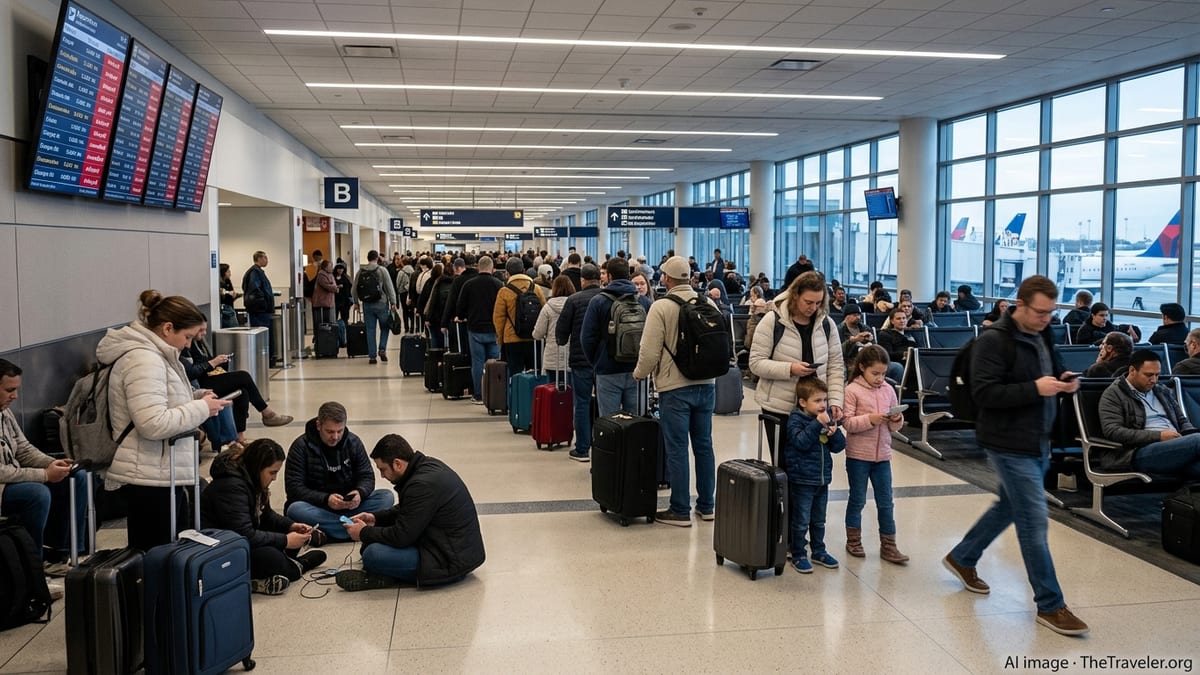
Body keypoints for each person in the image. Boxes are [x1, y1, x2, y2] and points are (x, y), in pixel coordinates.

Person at [943, 275, 1088, 637]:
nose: (1046, 319)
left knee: (1009, 506)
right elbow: (985, 394)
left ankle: (962, 556)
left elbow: (1051, 368)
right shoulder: (993, 342)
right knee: (1033, 522)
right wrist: (1035, 389)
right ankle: (1050, 604)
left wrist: (1064, 378)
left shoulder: (1043, 333)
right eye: (1040, 312)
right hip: (1006, 442)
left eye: (1051, 313)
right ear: (1019, 306)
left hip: (1038, 438)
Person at [97, 291, 231, 552]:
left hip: (159, 470)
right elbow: (152, 422)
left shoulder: (156, 356)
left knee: (167, 550)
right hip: (148, 472)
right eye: (188, 337)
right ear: (168, 328)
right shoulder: (144, 359)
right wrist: (201, 408)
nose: (189, 345)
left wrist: (195, 397)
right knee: (155, 554)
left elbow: (159, 400)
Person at [335, 434, 485, 591]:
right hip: (448, 546)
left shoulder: (421, 484)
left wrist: (364, 532)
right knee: (371, 543)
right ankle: (387, 573)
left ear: (398, 464)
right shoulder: (425, 467)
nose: (382, 475)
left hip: (449, 560)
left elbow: (401, 536)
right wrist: (375, 518)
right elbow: (409, 509)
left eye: (383, 469)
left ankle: (384, 577)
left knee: (373, 554)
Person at [632, 256, 718, 526]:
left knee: (678, 448)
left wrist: (639, 374)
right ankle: (707, 505)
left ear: (666, 279)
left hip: (675, 388)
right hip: (707, 384)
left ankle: (680, 509)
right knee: (704, 445)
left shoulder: (661, 307)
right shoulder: (708, 302)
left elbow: (649, 352)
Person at [201, 439, 326, 595]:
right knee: (273, 557)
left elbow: (266, 515)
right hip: (223, 549)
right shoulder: (231, 486)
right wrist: (285, 540)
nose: (274, 478)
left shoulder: (250, 479)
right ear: (258, 467)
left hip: (241, 540)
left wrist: (291, 526)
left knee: (285, 540)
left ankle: (287, 563)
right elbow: (243, 534)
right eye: (272, 472)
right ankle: (298, 566)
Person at [0, 359, 88, 576]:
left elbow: (23, 449)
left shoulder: (4, 412)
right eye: (9, 390)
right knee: (36, 493)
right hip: (3, 486)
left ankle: (61, 553)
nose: (15, 396)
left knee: (77, 476)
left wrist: (51, 463)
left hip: (11, 480)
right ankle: (33, 566)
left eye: (16, 390)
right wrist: (44, 475)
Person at [749, 271, 846, 462]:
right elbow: (755, 363)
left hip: (815, 408)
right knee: (783, 467)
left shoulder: (826, 324)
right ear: (795, 296)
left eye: (818, 303)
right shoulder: (773, 320)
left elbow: (835, 366)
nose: (813, 307)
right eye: (808, 302)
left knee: (812, 467)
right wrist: (790, 369)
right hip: (779, 407)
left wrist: (835, 401)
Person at [284, 401, 395, 539]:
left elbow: (367, 476)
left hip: (350, 507)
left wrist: (359, 492)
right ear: (319, 425)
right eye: (329, 431)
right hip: (319, 507)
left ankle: (332, 530)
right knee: (295, 509)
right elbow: (294, 488)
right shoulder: (301, 447)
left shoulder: (353, 442)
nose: (335, 437)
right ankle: (356, 529)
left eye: (340, 431)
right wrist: (326, 499)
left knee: (386, 496)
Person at [839, 346, 908, 563]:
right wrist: (871, 419)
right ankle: (853, 540)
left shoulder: (888, 390)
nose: (880, 378)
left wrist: (896, 420)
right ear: (862, 368)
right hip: (859, 456)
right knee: (858, 499)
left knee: (886, 502)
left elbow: (895, 427)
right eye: (875, 373)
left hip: (883, 456)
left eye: (883, 374)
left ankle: (889, 545)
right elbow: (847, 422)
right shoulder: (851, 390)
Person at [1097, 349, 1200, 480]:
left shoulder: (1162, 390)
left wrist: (1187, 434)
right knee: (1198, 440)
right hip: (1138, 452)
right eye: (1149, 375)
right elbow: (1113, 431)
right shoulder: (1114, 394)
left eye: (1157, 375)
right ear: (1132, 370)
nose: (1154, 380)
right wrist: (1158, 436)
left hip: (1175, 446)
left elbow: (1181, 420)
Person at [183, 326, 292, 443]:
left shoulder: (198, 343)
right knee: (243, 377)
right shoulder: (186, 346)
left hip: (207, 377)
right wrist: (213, 362)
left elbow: (202, 363)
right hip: (200, 384)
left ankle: (240, 436)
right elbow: (192, 372)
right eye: (200, 330)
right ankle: (266, 413)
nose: (204, 333)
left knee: (243, 391)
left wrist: (217, 362)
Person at [783, 376, 845, 572]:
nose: (823, 405)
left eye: (825, 400)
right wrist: (818, 424)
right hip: (802, 479)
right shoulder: (796, 420)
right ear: (803, 402)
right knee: (801, 520)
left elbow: (838, 448)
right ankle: (798, 553)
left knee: (819, 519)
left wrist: (835, 434)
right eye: (817, 401)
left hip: (822, 479)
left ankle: (819, 550)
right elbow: (800, 442)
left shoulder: (827, 418)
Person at [581, 257, 651, 416]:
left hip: (607, 370)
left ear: (609, 276)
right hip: (637, 370)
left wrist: (597, 361)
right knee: (634, 423)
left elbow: (587, 338)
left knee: (609, 423)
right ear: (629, 275)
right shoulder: (644, 302)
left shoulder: (598, 301)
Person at [556, 263, 604, 462]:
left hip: (580, 359)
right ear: (601, 279)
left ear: (582, 280)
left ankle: (582, 448)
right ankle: (605, 447)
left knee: (582, 403)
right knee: (604, 404)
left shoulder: (573, 300)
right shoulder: (607, 298)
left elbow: (561, 334)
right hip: (604, 362)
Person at [457, 256, 504, 403]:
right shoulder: (499, 284)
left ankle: (478, 395)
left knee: (477, 362)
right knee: (495, 363)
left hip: (475, 329)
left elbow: (460, 308)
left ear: (478, 267)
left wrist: (464, 316)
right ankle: (495, 395)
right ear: (492, 268)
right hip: (494, 330)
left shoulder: (469, 284)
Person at [494, 257, 546, 378]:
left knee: (514, 375)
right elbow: (544, 312)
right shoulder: (536, 288)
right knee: (534, 374)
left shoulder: (504, 291)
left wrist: (501, 340)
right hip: (533, 338)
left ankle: (515, 396)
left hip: (512, 339)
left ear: (507, 273)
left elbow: (499, 318)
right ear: (524, 270)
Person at [353, 250, 398, 364]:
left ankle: (372, 356)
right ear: (377, 258)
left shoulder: (360, 271)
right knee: (385, 327)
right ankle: (382, 349)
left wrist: (356, 302)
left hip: (367, 304)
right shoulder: (382, 270)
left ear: (367, 258)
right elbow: (389, 287)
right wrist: (393, 302)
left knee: (370, 330)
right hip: (381, 303)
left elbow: (354, 289)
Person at [532, 275, 574, 381]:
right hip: (572, 356)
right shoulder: (575, 305)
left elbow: (538, 334)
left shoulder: (548, 307)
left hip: (552, 357)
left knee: (553, 394)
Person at [241, 251, 276, 364]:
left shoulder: (257, 272)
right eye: (265, 258)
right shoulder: (255, 273)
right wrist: (264, 304)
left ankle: (268, 358)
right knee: (262, 335)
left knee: (266, 334)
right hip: (260, 311)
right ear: (259, 258)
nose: (267, 260)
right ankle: (264, 360)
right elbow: (255, 291)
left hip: (262, 310)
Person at [875, 308, 917, 383]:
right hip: (897, 362)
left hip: (912, 361)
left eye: (904, 318)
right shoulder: (885, 334)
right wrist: (904, 354)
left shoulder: (910, 335)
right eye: (898, 318)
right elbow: (887, 354)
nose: (902, 321)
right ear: (892, 321)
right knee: (899, 367)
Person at [1074, 302, 1139, 345]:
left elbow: (1118, 330)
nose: (1105, 318)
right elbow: (1082, 349)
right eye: (1101, 315)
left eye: (1106, 315)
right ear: (1093, 316)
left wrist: (1132, 331)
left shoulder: (1109, 326)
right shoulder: (1085, 330)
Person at [309, 259, 337, 331]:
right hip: (321, 302)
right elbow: (327, 286)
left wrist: (334, 287)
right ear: (325, 267)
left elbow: (333, 285)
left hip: (328, 302)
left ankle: (326, 338)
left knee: (327, 322)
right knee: (320, 322)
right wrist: (335, 288)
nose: (332, 268)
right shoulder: (321, 275)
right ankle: (319, 338)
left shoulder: (330, 275)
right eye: (330, 266)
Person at [332, 263, 353, 343]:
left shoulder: (346, 278)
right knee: (334, 319)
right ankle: (337, 337)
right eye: (338, 268)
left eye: (341, 268)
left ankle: (345, 337)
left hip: (344, 302)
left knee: (345, 319)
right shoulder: (332, 277)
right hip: (335, 301)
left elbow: (350, 289)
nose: (340, 270)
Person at [218, 263, 240, 328]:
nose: (230, 273)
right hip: (225, 310)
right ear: (223, 272)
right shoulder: (219, 284)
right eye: (228, 271)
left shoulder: (228, 281)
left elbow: (231, 295)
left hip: (230, 308)